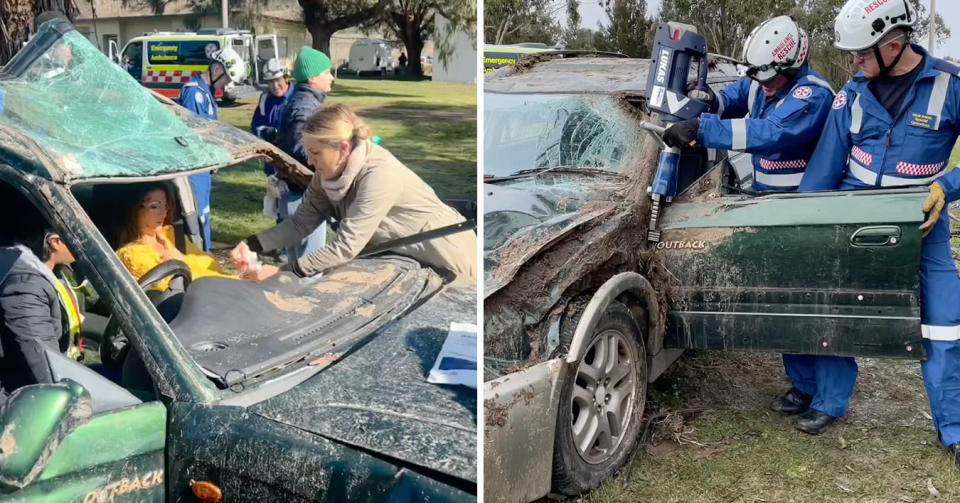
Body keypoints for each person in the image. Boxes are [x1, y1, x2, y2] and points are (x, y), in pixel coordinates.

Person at [798, 0, 960, 448]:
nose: (854, 62)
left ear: (894, 44)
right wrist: (805, 222)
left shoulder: (950, 84)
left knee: (945, 323)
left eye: (862, 54)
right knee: (833, 307)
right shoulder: (851, 92)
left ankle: (954, 428)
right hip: (854, 220)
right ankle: (829, 401)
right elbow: (824, 167)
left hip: (921, 228)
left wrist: (947, 185)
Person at [230, 104, 476, 285]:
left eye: (315, 153)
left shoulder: (379, 175)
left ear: (343, 149)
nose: (310, 161)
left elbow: (346, 247)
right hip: (402, 256)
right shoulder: (324, 175)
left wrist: (284, 273)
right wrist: (251, 245)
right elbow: (299, 224)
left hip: (445, 253)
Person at [663, 15, 834, 191]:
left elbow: (771, 133)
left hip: (799, 200)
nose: (762, 84)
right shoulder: (760, 78)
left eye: (769, 79)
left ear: (791, 68)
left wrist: (702, 129)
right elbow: (728, 102)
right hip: (761, 195)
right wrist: (710, 99)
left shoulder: (814, 95)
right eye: (758, 78)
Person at [176, 46, 246, 251]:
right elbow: (196, 135)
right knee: (196, 216)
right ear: (217, 71)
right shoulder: (194, 93)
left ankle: (204, 254)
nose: (226, 86)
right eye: (227, 80)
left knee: (204, 214)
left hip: (205, 168)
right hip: (196, 167)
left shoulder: (205, 93)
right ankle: (198, 255)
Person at [273, 46, 335, 264]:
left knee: (296, 267)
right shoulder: (305, 107)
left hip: (298, 196)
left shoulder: (304, 102)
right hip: (302, 198)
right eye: (326, 72)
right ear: (312, 77)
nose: (331, 77)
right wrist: (333, 158)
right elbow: (302, 149)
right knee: (309, 268)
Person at [0, 226, 78, 400]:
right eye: (78, 237)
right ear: (55, 242)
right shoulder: (26, 284)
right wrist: (69, 400)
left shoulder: (49, 272)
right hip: (25, 397)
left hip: (58, 368)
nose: (82, 245)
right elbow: (43, 359)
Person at [115, 183, 237, 291]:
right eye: (154, 206)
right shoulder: (131, 254)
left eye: (165, 206)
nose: (163, 213)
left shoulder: (170, 233)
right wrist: (233, 282)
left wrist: (182, 259)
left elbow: (212, 263)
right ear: (134, 210)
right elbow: (173, 288)